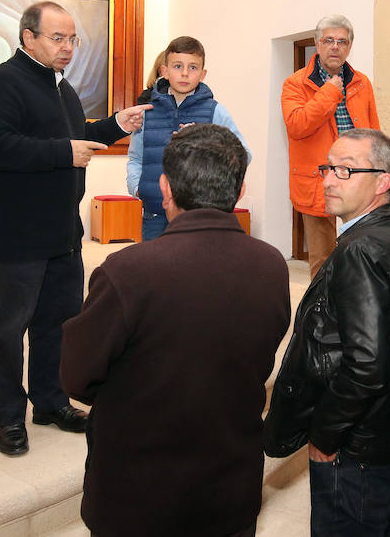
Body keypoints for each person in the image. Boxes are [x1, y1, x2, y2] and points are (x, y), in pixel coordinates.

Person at [61, 124, 290, 537]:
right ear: (237, 192)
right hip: (228, 489)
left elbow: (77, 376)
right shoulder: (272, 265)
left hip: (138, 495)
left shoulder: (128, 271)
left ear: (165, 188)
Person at [0, 1, 151, 457]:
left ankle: (50, 402)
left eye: (73, 39)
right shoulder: (2, 82)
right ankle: (8, 418)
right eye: (57, 38)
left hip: (62, 232)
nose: (68, 48)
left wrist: (116, 124)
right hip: (16, 232)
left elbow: (78, 134)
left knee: (57, 323)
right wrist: (63, 153)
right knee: (9, 329)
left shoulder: (63, 88)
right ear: (28, 37)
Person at [264, 128, 390, 537]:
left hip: (358, 447)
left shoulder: (363, 249)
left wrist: (326, 434)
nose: (330, 179)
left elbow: (368, 364)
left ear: (383, 182)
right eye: (329, 167)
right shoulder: (388, 233)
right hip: (381, 435)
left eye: (346, 170)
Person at [281, 14, 380, 278]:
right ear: (317, 43)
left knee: (361, 252)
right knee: (322, 262)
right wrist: (330, 92)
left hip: (358, 179)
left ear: (349, 46)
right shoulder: (295, 83)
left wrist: (380, 173)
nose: (335, 47)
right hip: (318, 182)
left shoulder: (362, 82)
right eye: (328, 40)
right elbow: (297, 125)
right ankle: (320, 315)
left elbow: (373, 131)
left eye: (342, 41)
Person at [127, 36, 250, 241]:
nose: (185, 73)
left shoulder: (216, 111)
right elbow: (135, 158)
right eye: (177, 66)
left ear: (203, 74)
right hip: (154, 212)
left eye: (193, 67)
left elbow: (243, 154)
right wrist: (137, 189)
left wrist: (204, 143)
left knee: (196, 270)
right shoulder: (147, 112)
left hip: (201, 215)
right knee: (156, 269)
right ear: (164, 71)